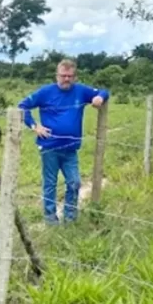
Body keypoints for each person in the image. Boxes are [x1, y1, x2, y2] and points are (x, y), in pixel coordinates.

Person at [18, 58, 110, 224]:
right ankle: (50, 219)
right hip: (49, 147)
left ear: (75, 77)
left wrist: (100, 98)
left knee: (74, 182)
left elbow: (103, 91)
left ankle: (70, 217)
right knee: (50, 184)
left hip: (70, 149)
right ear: (56, 76)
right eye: (63, 75)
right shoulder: (45, 92)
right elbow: (22, 106)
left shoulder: (81, 91)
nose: (66, 79)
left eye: (70, 76)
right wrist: (34, 125)